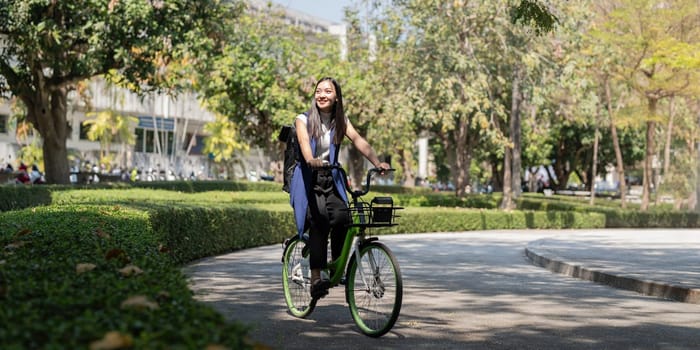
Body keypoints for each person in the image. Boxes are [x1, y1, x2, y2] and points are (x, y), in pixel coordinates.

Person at [289, 77, 390, 299]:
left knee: (344, 218)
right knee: (320, 221)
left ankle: (336, 266)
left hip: (331, 177)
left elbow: (358, 140)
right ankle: (316, 278)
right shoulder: (303, 119)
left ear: (336, 97)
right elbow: (305, 144)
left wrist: (377, 162)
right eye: (318, 91)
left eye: (327, 91)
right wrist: (311, 159)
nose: (322, 95)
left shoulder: (340, 120)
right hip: (308, 179)